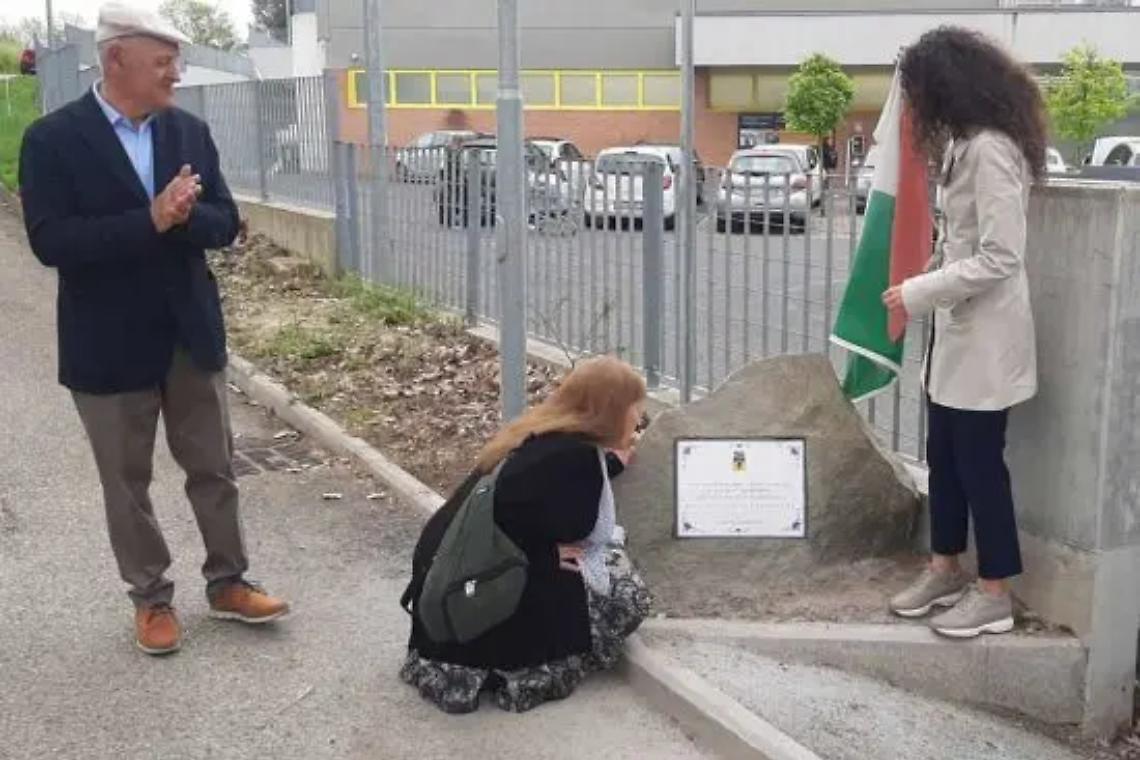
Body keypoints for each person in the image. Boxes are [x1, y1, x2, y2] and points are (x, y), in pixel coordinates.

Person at [18, 2, 289, 656]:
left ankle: (229, 582)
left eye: (176, 61)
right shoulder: (52, 140)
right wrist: (151, 220)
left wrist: (187, 217)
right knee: (126, 481)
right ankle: (151, 598)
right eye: (164, 61)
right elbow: (51, 242)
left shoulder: (188, 132)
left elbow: (224, 221)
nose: (177, 73)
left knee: (214, 466)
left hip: (188, 333)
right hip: (106, 344)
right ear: (117, 60)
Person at [882, 27, 1045, 638]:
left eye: (919, 90)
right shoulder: (962, 146)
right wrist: (923, 278)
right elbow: (961, 244)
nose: (914, 105)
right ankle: (944, 567)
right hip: (954, 339)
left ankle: (996, 591)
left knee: (979, 465)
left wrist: (922, 291)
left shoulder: (991, 150)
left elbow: (1002, 255)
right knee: (944, 459)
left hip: (985, 343)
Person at [400, 356, 651, 713]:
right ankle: (525, 667)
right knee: (623, 588)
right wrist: (550, 557)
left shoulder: (537, 434)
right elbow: (573, 528)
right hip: (484, 603)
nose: (638, 418)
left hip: (446, 594)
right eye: (634, 409)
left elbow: (528, 500)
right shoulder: (577, 459)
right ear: (611, 410)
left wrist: (608, 466)